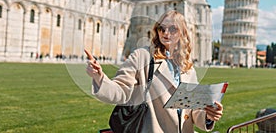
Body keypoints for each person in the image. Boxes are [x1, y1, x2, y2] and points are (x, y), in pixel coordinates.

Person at [86, 10, 223, 132]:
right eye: (161, 28)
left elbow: (193, 110)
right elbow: (121, 91)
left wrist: (209, 116)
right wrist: (100, 78)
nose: (166, 33)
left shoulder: (188, 68)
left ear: (183, 33)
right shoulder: (142, 57)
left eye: (172, 29)